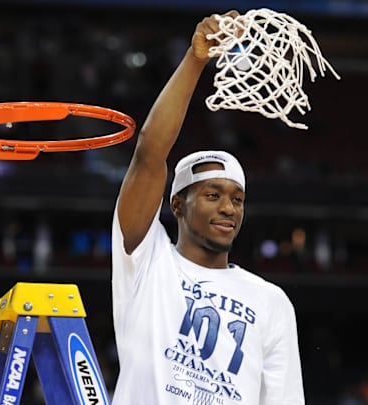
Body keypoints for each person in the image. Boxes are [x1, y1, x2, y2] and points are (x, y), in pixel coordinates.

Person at [111, 10, 305, 405]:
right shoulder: (147, 261)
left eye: (237, 198)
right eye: (213, 195)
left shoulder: (271, 301)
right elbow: (149, 153)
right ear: (178, 204)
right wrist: (196, 60)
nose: (229, 208)